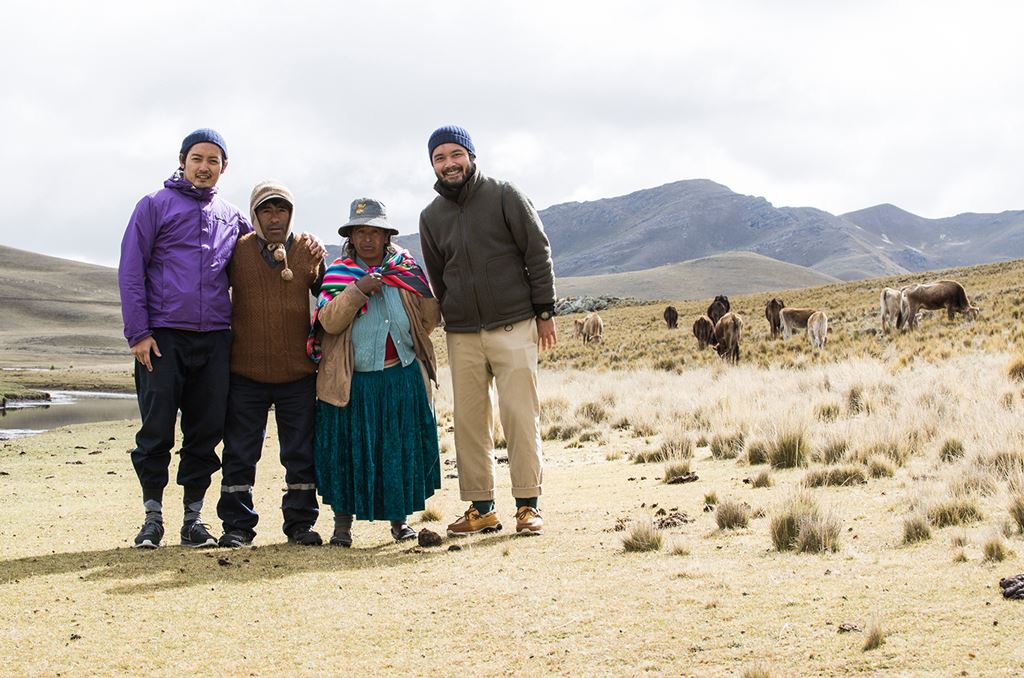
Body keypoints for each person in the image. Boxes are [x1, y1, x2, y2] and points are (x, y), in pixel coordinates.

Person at [418, 125, 556, 536]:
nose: (448, 163)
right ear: (433, 165)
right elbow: (437, 276)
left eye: (455, 154)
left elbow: (538, 250)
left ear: (471, 156)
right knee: (469, 422)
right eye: (439, 158)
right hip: (462, 334)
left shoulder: (504, 195)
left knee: (519, 414)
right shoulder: (431, 217)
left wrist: (544, 310)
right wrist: (453, 314)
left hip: (514, 324)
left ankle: (528, 506)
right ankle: (481, 509)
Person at [118, 128, 248, 548]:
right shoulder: (154, 206)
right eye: (197, 158)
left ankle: (193, 520)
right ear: (182, 160)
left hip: (213, 340)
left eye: (213, 160)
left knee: (206, 431)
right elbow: (130, 271)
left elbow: (260, 254)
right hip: (162, 339)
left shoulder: (231, 216)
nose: (204, 167)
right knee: (156, 430)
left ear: (224, 167)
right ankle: (151, 518)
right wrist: (138, 333)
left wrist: (305, 247)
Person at [309, 198, 441, 546]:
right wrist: (357, 291)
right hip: (354, 382)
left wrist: (417, 287)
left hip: (401, 375)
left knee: (396, 451)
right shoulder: (338, 273)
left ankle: (400, 523)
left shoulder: (406, 270)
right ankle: (342, 527)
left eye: (375, 232)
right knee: (349, 453)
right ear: (350, 236)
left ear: (387, 237)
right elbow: (329, 322)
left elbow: (429, 320)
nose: (368, 239)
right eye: (361, 231)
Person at [216, 181, 325, 548]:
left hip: (298, 374)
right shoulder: (237, 251)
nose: (275, 217)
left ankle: (300, 524)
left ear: (291, 214)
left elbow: (330, 294)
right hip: (245, 374)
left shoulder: (309, 251)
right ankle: (237, 526)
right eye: (266, 210)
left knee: (300, 452)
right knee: (240, 452)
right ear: (255, 215)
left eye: (281, 210)